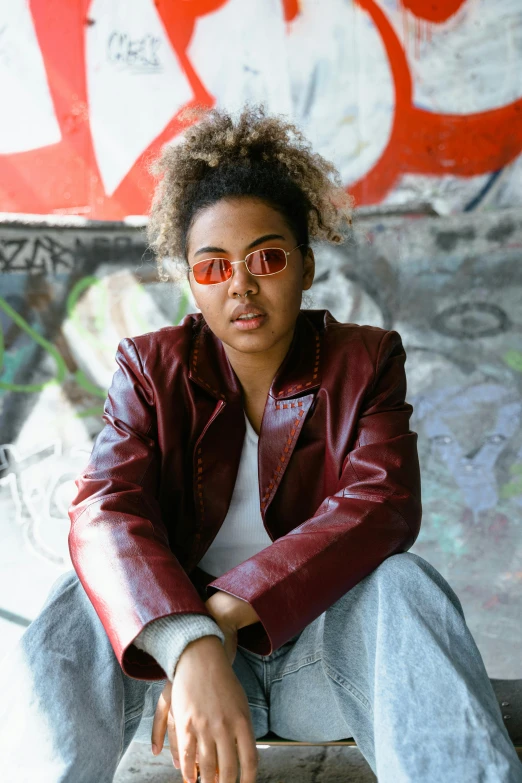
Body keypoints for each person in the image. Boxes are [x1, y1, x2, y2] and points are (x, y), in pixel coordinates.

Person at [0, 105, 520, 783]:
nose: (241, 284)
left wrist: (222, 613)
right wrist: (190, 642)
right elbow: (105, 512)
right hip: (184, 680)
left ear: (305, 267)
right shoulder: (149, 369)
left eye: (266, 258)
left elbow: (383, 502)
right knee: (75, 603)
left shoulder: (364, 359)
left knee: (404, 584)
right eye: (213, 267)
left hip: (321, 662)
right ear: (190, 279)